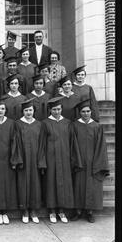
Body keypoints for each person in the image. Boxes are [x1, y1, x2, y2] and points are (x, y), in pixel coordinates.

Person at [39, 96, 83, 224]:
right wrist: (42, 161)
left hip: (65, 158)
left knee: (64, 185)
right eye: (54, 109)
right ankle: (52, 211)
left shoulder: (68, 123)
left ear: (61, 109)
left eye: (58, 109)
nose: (56, 112)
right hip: (50, 159)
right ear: (50, 110)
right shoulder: (45, 123)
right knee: (51, 184)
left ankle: (61, 211)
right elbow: (41, 144)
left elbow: (73, 143)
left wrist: (74, 160)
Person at [71, 99, 110, 223]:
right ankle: (78, 211)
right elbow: (72, 145)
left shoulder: (97, 126)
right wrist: (76, 160)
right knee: (78, 186)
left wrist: (97, 162)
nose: (86, 113)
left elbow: (101, 147)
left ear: (91, 112)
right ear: (80, 113)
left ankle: (90, 212)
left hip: (94, 162)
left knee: (92, 187)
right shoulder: (74, 125)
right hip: (79, 162)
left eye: (88, 111)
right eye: (83, 111)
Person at [0, 99, 22, 224]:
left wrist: (13, 160)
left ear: (5, 111)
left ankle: (5, 212)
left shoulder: (11, 123)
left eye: (2, 109)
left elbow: (14, 142)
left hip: (7, 160)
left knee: (8, 185)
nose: (0, 111)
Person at [15, 98, 44, 223]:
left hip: (36, 160)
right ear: (23, 111)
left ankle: (33, 210)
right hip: (23, 160)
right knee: (23, 184)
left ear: (34, 111)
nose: (28, 112)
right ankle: (24, 210)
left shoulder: (39, 124)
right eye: (26, 110)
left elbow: (43, 144)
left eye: (30, 110)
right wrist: (18, 160)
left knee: (35, 185)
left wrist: (41, 161)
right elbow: (15, 144)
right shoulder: (17, 124)